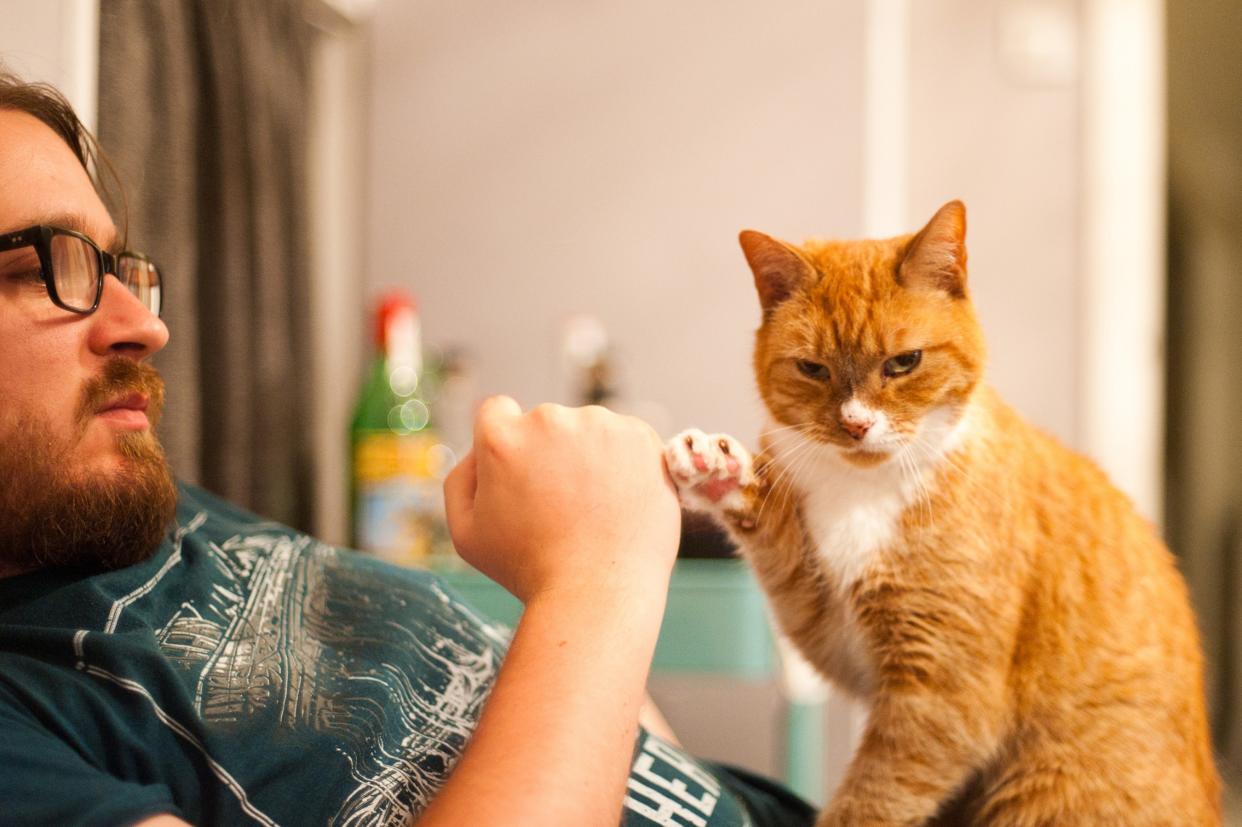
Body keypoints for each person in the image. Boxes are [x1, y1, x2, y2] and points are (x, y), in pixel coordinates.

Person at [0, 70, 815, 826]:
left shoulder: (116, 498)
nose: (148, 327)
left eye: (115, 267)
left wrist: (586, 614)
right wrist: (600, 574)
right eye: (49, 268)